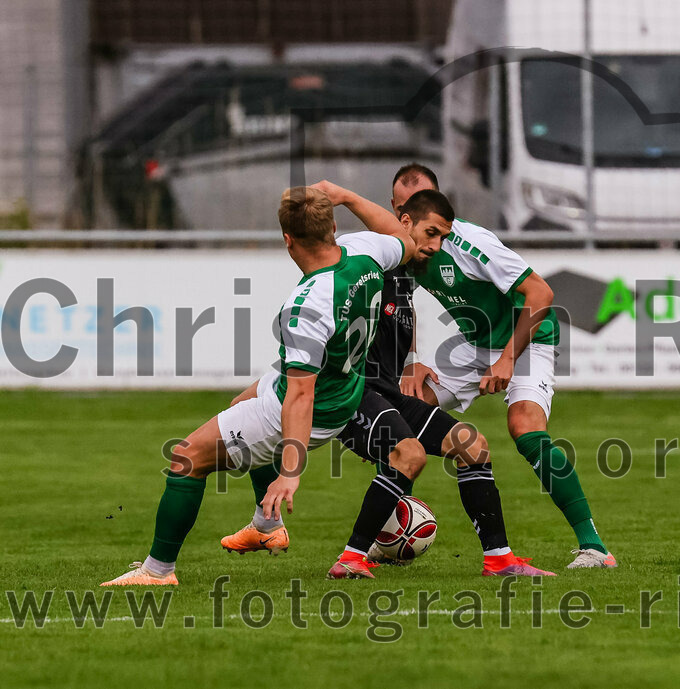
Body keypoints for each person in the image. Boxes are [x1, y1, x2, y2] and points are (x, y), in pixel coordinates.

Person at [222, 183, 554, 577]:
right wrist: (344, 196)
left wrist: (413, 359)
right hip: (352, 392)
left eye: (443, 237)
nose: (434, 245)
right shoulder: (371, 258)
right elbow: (394, 235)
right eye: (429, 233)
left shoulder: (409, 270)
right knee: (245, 411)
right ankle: (317, 544)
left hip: (384, 392)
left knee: (473, 446)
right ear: (403, 221)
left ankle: (499, 560)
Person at [102, 184, 421, 585]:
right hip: (342, 383)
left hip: (315, 405)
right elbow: (405, 240)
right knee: (242, 400)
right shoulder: (366, 251)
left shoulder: (307, 305)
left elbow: (300, 395)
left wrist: (290, 471)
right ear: (334, 227)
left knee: (186, 461)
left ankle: (157, 571)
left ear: (288, 240)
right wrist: (349, 195)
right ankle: (266, 526)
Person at [395, 164, 616, 569]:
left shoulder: (472, 243)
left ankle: (595, 548)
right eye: (399, 209)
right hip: (474, 342)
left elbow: (541, 292)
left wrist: (507, 359)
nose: (406, 217)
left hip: (526, 337)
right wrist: (412, 362)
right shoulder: (401, 248)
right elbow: (403, 305)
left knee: (525, 427)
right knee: (402, 412)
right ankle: (384, 535)